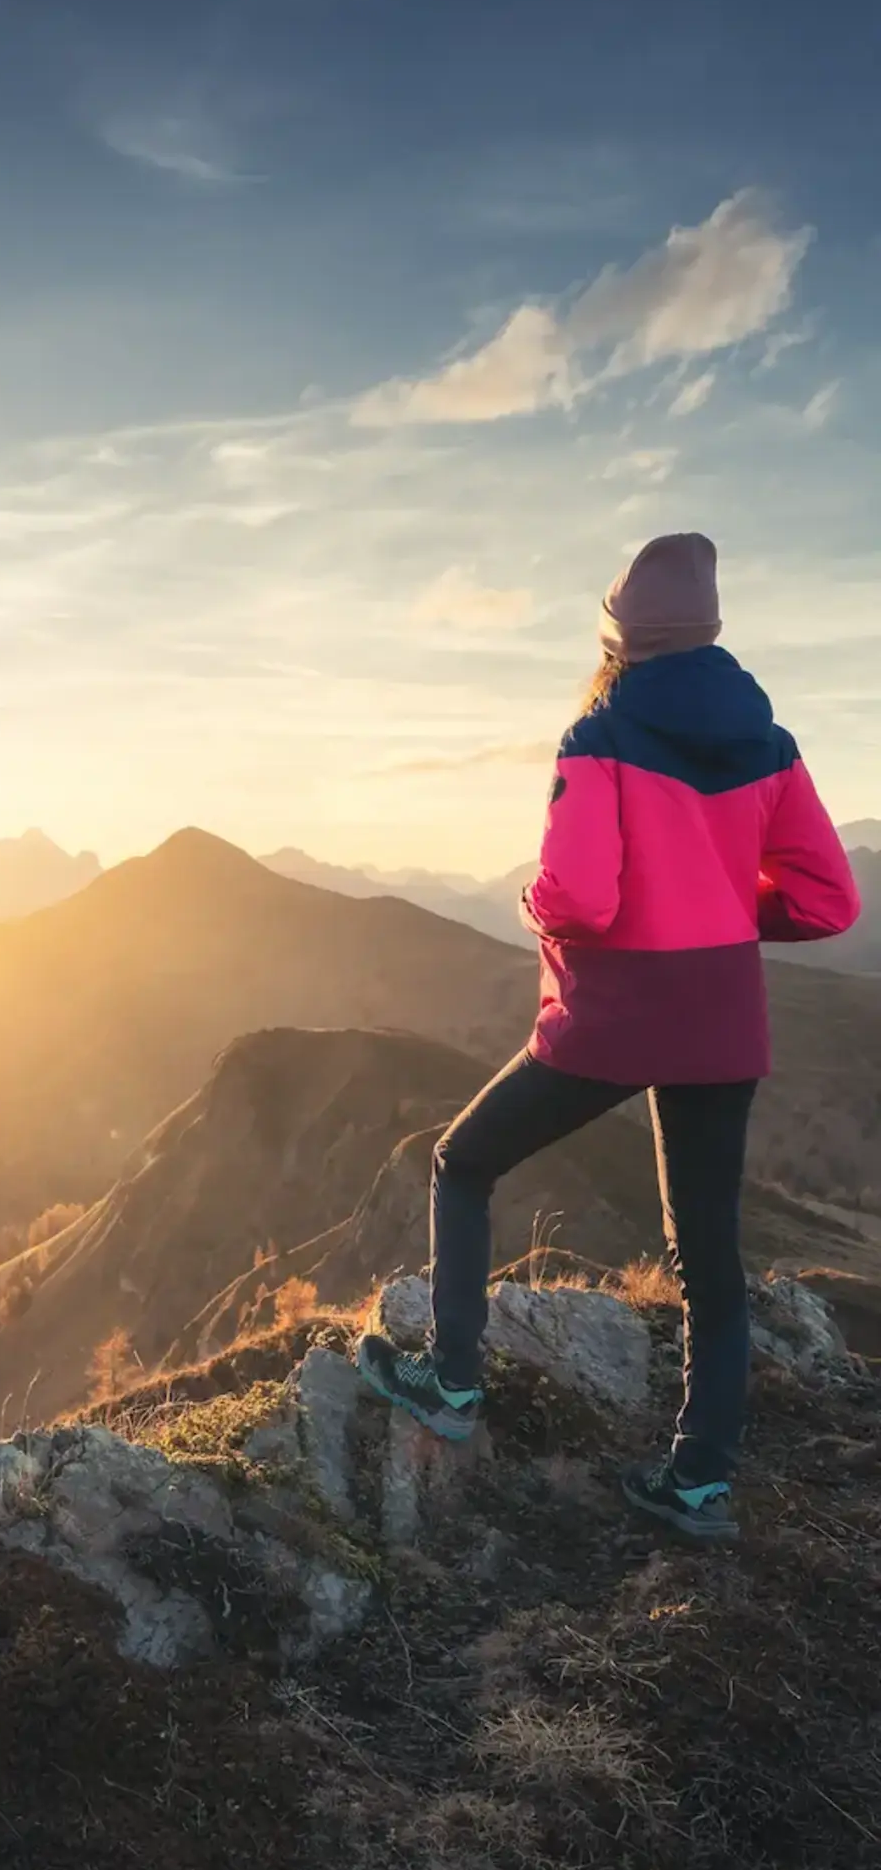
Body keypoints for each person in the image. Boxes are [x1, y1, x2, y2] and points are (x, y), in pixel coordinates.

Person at [356, 532, 862, 1542]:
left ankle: (453, 1384)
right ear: (710, 628)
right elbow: (828, 897)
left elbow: (580, 895)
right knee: (709, 1265)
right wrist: (721, 909)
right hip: (721, 1018)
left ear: (619, 633)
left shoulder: (599, 735)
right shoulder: (771, 742)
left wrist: (535, 900)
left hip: (612, 1019)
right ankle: (700, 1483)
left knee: (462, 1160)